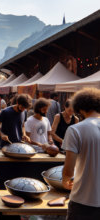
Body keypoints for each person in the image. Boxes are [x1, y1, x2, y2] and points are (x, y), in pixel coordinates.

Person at [61, 88, 100, 219]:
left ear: (80, 107)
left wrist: (65, 181)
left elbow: (68, 171)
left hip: (83, 202)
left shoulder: (75, 129)